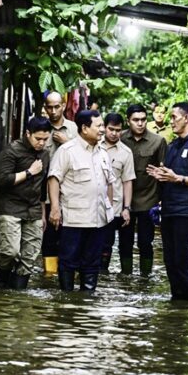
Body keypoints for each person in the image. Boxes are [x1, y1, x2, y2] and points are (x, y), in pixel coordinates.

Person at [147, 102, 188, 301]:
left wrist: (179, 179)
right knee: (169, 260)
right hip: (169, 209)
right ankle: (177, 303)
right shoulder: (173, 146)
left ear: (186, 118)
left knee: (182, 260)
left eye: (175, 117)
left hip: (187, 211)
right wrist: (161, 175)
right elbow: (170, 175)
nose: (171, 121)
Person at [47, 110, 115, 292]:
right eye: (99, 125)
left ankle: (86, 302)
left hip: (98, 219)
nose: (102, 130)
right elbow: (54, 179)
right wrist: (55, 208)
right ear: (84, 128)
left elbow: (109, 183)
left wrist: (109, 209)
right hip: (74, 219)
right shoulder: (67, 151)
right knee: (68, 261)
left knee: (92, 263)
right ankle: (66, 301)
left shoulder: (103, 153)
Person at [0, 117, 51, 289]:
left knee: (29, 257)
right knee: (10, 252)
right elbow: (2, 181)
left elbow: (42, 186)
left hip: (33, 209)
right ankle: (0, 286)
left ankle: (18, 295)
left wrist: (43, 214)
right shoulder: (12, 151)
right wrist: (29, 172)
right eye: (38, 139)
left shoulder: (45, 154)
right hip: (10, 207)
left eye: (45, 139)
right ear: (28, 134)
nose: (41, 143)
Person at [120, 104, 167, 276]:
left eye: (143, 120)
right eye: (135, 120)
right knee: (125, 241)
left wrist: (162, 200)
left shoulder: (158, 141)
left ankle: (145, 278)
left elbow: (164, 172)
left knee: (146, 242)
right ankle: (125, 276)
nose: (140, 123)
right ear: (128, 121)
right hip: (125, 200)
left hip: (149, 199)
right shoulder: (120, 138)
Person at [41, 91, 78, 274]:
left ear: (64, 106)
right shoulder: (40, 127)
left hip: (70, 194)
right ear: (45, 107)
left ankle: (66, 276)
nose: (54, 111)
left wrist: (67, 142)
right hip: (44, 194)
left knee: (69, 238)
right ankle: (49, 276)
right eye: (50, 107)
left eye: (57, 106)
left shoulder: (74, 128)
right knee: (48, 237)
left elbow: (83, 156)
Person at [100, 113, 135, 273]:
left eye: (118, 130)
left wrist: (126, 208)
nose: (114, 133)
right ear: (104, 128)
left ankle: (103, 275)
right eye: (111, 129)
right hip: (90, 206)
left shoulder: (126, 152)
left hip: (113, 208)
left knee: (107, 244)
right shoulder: (94, 145)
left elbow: (127, 181)